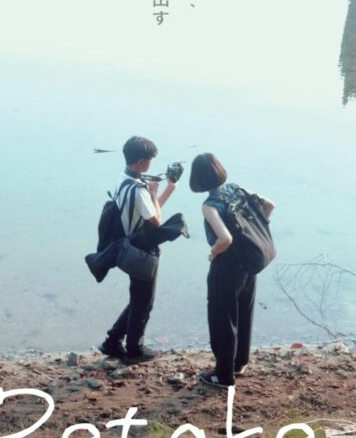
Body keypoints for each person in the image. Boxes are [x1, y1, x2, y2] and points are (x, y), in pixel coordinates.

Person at [189, 153, 275, 388]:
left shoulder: (210, 206)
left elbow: (225, 239)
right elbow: (269, 206)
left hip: (226, 268)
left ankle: (224, 375)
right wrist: (253, 237)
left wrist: (213, 253)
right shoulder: (237, 189)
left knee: (223, 319)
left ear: (198, 178)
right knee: (244, 312)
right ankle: (240, 363)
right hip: (248, 264)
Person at [98, 136, 180, 365]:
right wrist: (155, 192)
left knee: (139, 298)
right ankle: (134, 349)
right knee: (144, 302)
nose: (152, 163)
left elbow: (149, 212)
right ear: (142, 161)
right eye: (151, 159)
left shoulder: (123, 179)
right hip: (141, 251)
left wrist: (166, 189)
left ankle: (112, 340)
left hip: (128, 245)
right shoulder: (139, 190)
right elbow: (157, 220)